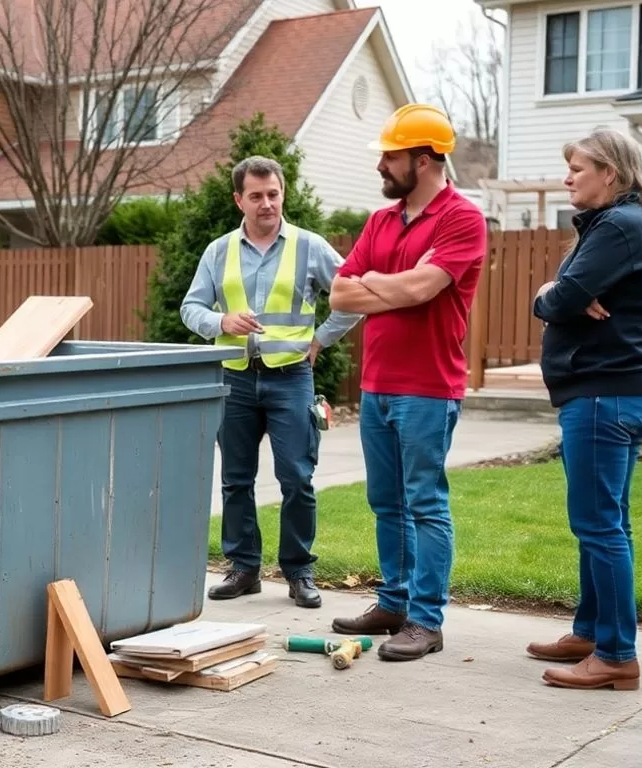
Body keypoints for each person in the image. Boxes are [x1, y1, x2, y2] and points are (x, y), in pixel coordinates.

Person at [326, 104, 488, 661]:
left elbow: (424, 289)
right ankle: (392, 603)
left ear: (423, 159)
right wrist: (384, 285)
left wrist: (376, 281)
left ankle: (426, 620)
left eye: (390, 156)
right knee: (386, 502)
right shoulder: (379, 222)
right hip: (377, 386)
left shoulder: (461, 219)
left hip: (428, 387)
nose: (380, 166)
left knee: (424, 503)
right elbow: (340, 294)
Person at [181, 155, 362, 609]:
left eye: (273, 194)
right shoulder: (218, 251)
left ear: (283, 194)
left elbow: (353, 297)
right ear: (238, 199)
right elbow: (191, 308)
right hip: (236, 379)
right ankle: (244, 569)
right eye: (256, 196)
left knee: (297, 478)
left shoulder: (309, 246)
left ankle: (299, 572)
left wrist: (321, 339)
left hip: (290, 379)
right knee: (236, 480)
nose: (266, 204)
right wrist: (221, 318)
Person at [525, 129, 642, 692]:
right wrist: (561, 291)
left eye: (578, 169)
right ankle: (592, 630)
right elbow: (566, 297)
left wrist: (551, 290)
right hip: (617, 392)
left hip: (604, 395)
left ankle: (615, 654)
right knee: (607, 523)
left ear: (610, 173)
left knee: (599, 525)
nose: (568, 178)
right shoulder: (624, 227)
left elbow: (557, 302)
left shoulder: (617, 227)